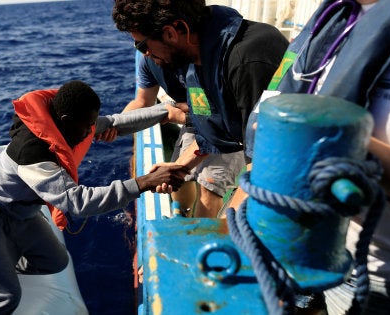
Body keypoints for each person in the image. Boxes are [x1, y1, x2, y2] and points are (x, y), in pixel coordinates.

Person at [0, 80, 188, 313]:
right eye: (88, 125)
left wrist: (166, 111)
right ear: (67, 121)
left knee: (56, 261)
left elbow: (114, 123)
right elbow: (78, 202)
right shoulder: (32, 155)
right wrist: (144, 182)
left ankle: (3, 261)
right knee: (9, 297)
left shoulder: (64, 121)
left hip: (19, 208)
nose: (92, 130)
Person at [240, 0, 390, 313]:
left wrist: (325, 142)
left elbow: (295, 135)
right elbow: (269, 143)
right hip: (324, 265)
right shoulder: (334, 19)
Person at [112, 0, 289, 217]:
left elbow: (266, 167)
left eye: (142, 45)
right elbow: (216, 128)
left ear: (170, 33)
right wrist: (181, 167)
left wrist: (224, 229)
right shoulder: (199, 58)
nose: (145, 54)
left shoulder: (249, 60)